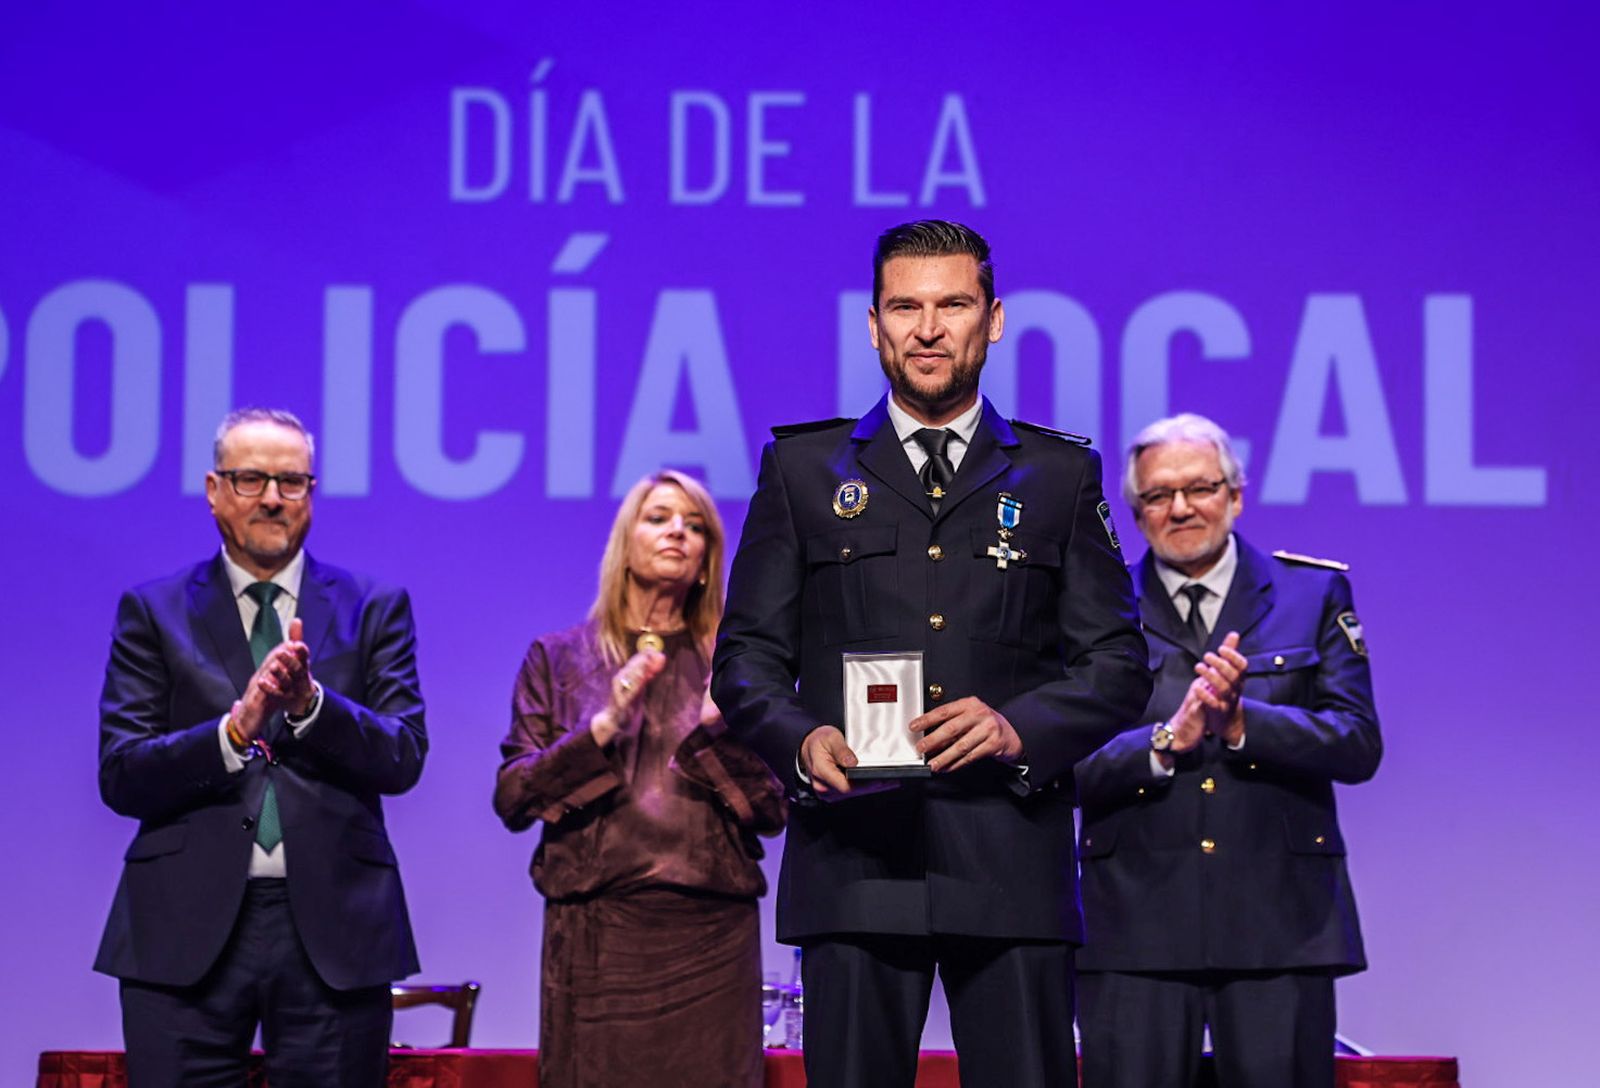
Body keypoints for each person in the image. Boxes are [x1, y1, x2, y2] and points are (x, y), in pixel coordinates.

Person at [711, 219, 1151, 1087]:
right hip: (855, 861)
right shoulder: (802, 470)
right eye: (905, 307)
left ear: (992, 319)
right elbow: (746, 659)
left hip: (1010, 862)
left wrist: (1018, 728)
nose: (927, 327)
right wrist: (799, 741)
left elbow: (1118, 664)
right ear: (873, 325)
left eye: (952, 304)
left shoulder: (1060, 477)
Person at [95, 407, 427, 1087]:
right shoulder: (154, 610)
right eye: (251, 480)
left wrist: (312, 707)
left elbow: (403, 756)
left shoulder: (374, 605)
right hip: (181, 925)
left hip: (335, 926)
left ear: (311, 494)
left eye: (291, 481)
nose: (272, 498)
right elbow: (122, 773)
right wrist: (235, 731)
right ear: (215, 491)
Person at [1075, 412, 1383, 1088]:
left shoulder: (1312, 594)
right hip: (1133, 925)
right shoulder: (1094, 607)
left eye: (1200, 488)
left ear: (1236, 495)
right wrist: (1164, 741)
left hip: (1281, 924)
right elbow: (1055, 761)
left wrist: (1245, 725)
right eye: (1157, 496)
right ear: (1135, 512)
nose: (1180, 508)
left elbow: (1358, 743)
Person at [494, 469, 785, 1088]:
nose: (678, 530)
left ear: (708, 559)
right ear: (625, 545)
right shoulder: (560, 657)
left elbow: (775, 810)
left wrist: (720, 729)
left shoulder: (734, 667)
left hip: (710, 935)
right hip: (598, 932)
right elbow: (514, 796)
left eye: (695, 523)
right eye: (658, 517)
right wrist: (603, 726)